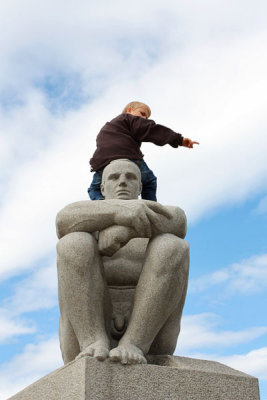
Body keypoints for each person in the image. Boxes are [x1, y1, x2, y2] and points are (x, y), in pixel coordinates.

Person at [56, 159, 189, 365]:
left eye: (131, 177)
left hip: (150, 332)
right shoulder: (86, 217)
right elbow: (63, 221)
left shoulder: (158, 216)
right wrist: (118, 212)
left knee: (172, 246)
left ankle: (134, 343)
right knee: (73, 242)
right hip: (90, 326)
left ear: (139, 187)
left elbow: (179, 220)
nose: (123, 182)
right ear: (102, 187)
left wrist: (125, 230)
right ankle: (92, 340)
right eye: (114, 177)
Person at [88, 101, 199, 202]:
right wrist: (179, 140)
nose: (145, 119)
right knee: (150, 182)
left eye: (146, 117)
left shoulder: (107, 128)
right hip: (128, 156)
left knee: (93, 189)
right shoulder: (128, 118)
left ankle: (100, 202)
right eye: (142, 113)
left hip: (103, 164)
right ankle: (150, 206)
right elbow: (153, 131)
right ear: (129, 110)